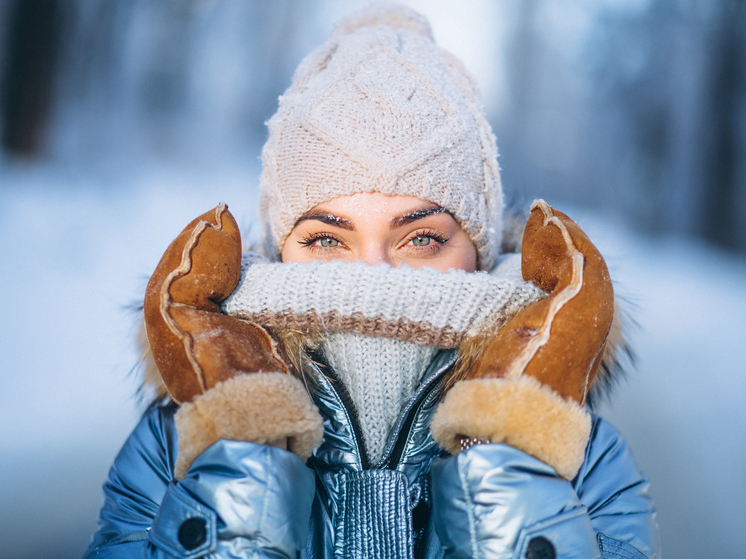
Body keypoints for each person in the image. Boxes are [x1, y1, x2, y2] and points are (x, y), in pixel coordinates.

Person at [84, 6, 659, 559]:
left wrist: (508, 463)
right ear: (280, 248)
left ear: (479, 251)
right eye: (328, 240)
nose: (373, 276)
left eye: (423, 239)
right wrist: (240, 466)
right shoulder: (181, 444)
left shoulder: (578, 457)